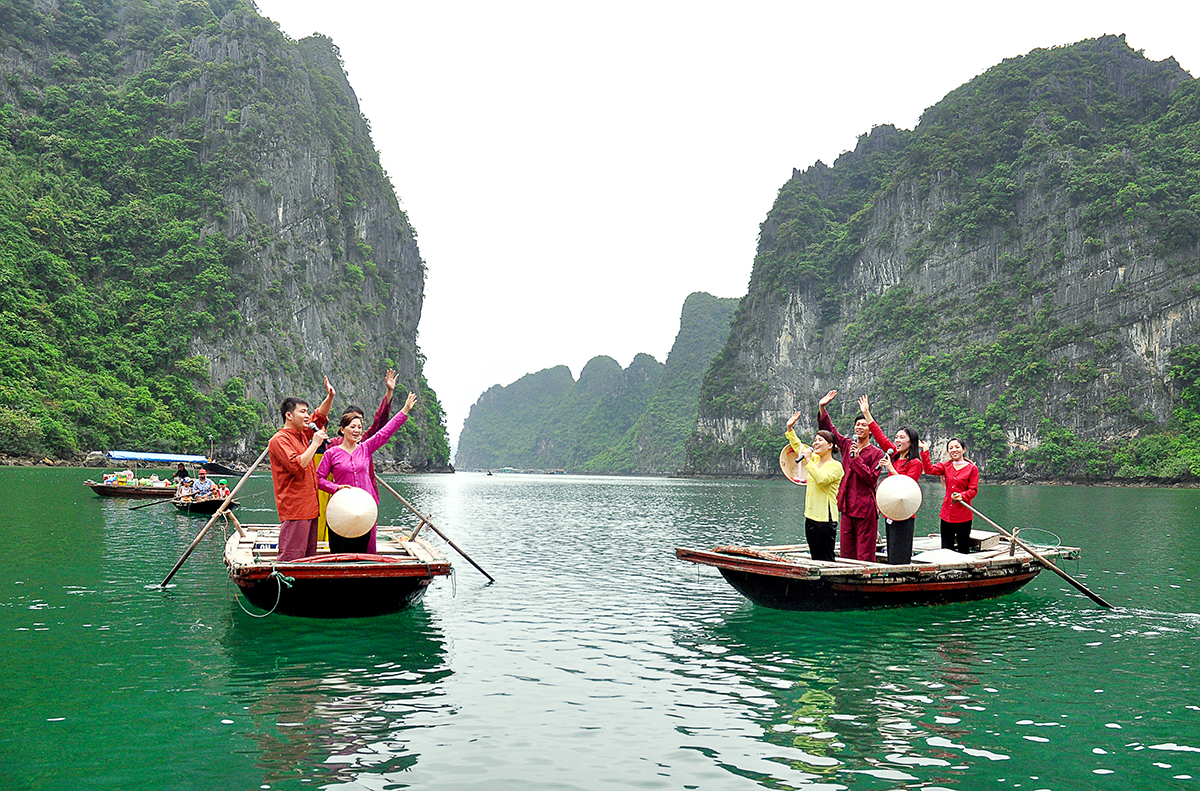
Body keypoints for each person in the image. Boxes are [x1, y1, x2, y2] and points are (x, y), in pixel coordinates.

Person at [318, 390, 418, 553]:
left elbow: (385, 432)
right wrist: (335, 488)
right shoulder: (332, 453)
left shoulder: (365, 448)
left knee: (366, 551)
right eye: (352, 427)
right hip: (342, 508)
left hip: (365, 508)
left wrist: (405, 410)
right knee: (341, 553)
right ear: (343, 430)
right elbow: (318, 479)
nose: (357, 430)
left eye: (360, 427)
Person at [268, 378, 336, 561]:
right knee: (292, 557)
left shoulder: (302, 434)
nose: (307, 416)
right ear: (289, 415)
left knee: (309, 557)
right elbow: (298, 465)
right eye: (302, 412)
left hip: (311, 509)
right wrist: (314, 444)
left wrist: (330, 396)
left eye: (307, 412)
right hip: (295, 509)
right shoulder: (279, 440)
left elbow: (319, 416)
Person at [817, 389, 884, 561]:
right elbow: (831, 432)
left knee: (865, 551)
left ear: (870, 430)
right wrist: (822, 408)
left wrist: (855, 459)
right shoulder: (847, 445)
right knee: (846, 550)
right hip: (847, 505)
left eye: (864, 425)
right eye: (857, 425)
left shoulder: (876, 453)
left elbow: (871, 478)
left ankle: (867, 580)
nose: (859, 427)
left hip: (865, 507)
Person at [858, 395, 923, 564]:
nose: (897, 440)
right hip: (890, 509)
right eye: (896, 437)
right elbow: (880, 436)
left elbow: (907, 487)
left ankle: (901, 576)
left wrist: (891, 469)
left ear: (911, 442)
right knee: (892, 546)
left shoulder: (915, 463)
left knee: (902, 548)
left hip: (905, 511)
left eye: (902, 437)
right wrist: (866, 413)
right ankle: (893, 570)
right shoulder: (894, 455)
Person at [786, 413, 844, 561]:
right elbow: (798, 447)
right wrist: (790, 428)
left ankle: (829, 583)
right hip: (811, 515)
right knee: (815, 556)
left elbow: (822, 480)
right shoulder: (815, 460)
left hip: (825, 518)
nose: (816, 443)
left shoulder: (836, 466)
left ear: (830, 445)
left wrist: (809, 460)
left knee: (826, 557)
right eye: (815, 440)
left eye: (820, 440)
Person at [920, 437, 980, 554]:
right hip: (947, 514)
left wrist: (962, 496)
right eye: (951, 448)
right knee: (946, 549)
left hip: (964, 515)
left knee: (963, 548)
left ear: (964, 450)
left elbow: (973, 490)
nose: (954, 450)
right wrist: (925, 450)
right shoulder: (946, 466)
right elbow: (928, 470)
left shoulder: (972, 468)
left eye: (957, 447)